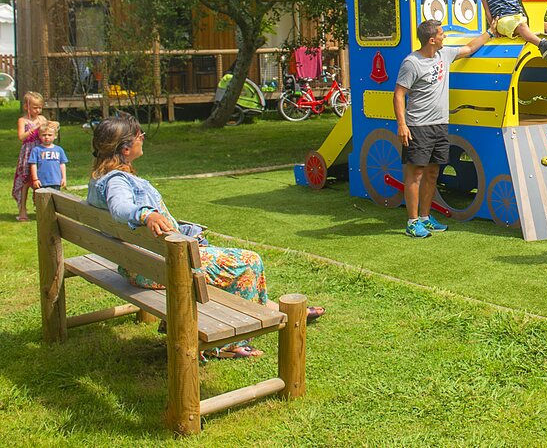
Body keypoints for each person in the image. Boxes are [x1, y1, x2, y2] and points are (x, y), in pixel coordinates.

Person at [86, 114, 324, 359]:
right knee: (249, 261)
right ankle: (229, 342)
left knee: (224, 260)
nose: (143, 139)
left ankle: (279, 308)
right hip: (160, 265)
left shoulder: (99, 179)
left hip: (139, 262)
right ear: (126, 149)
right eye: (139, 136)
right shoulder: (116, 181)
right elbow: (120, 208)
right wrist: (146, 214)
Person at [394, 18, 491, 238]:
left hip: (440, 125)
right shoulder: (412, 63)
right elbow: (399, 94)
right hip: (417, 126)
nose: (444, 36)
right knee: (415, 173)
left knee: (432, 173)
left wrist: (490, 32)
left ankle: (426, 218)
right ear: (431, 39)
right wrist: (402, 124)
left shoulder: (443, 55)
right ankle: (412, 222)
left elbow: (469, 48)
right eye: (441, 33)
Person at [12, 91, 46, 222]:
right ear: (26, 107)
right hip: (28, 152)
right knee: (26, 180)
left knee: (39, 179)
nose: (38, 110)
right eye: (35, 107)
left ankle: (40, 208)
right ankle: (22, 210)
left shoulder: (42, 118)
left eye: (40, 107)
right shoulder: (23, 120)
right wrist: (33, 128)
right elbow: (21, 137)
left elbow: (48, 129)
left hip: (40, 151)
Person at [28, 120, 68, 192]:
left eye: (49, 135)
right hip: (41, 181)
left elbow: (62, 164)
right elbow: (33, 165)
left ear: (55, 136)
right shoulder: (36, 150)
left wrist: (64, 178)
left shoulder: (59, 150)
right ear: (39, 136)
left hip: (55, 181)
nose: (46, 137)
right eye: (44, 135)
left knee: (55, 201)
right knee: (42, 201)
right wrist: (35, 179)